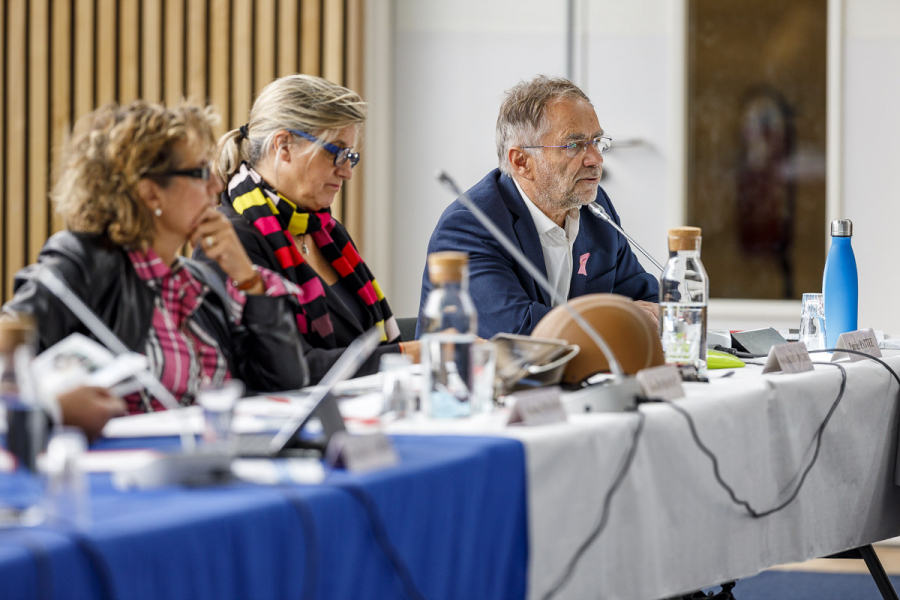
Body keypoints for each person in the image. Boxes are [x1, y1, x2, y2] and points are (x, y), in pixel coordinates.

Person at [2, 100, 309, 414]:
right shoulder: (80, 263)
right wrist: (53, 408)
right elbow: (6, 373)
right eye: (201, 171)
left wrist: (249, 279)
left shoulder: (202, 280)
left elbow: (285, 386)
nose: (217, 184)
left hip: (213, 456)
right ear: (150, 193)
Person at [200, 74, 416, 384]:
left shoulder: (326, 231)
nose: (346, 172)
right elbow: (288, 370)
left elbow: (367, 343)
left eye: (351, 156)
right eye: (336, 153)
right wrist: (409, 356)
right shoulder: (230, 240)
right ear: (284, 145)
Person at [416, 75, 660, 339]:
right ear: (521, 161)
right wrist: (620, 318)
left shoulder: (595, 208)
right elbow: (519, 329)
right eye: (574, 145)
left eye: (596, 142)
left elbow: (650, 301)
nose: (596, 159)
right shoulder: (469, 227)